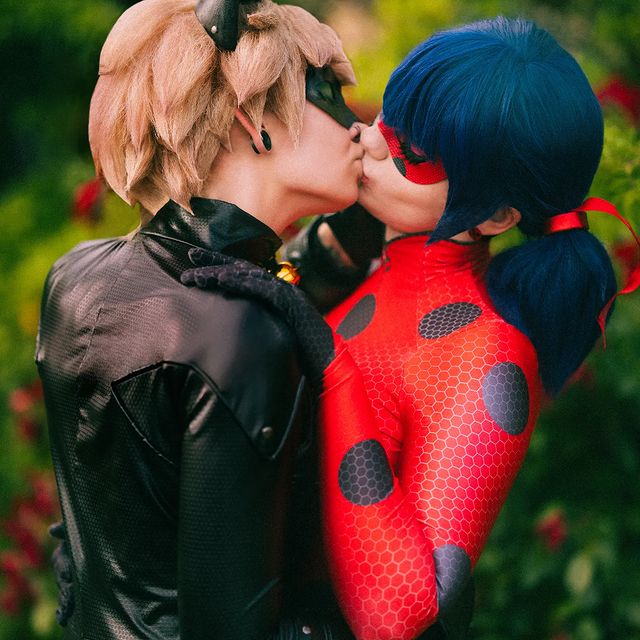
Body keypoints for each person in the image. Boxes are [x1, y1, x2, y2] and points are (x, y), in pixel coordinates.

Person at [182, 16, 640, 639]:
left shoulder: (487, 355)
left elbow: (402, 614)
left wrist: (330, 363)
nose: (368, 138)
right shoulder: (360, 260)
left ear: (497, 216)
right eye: (386, 119)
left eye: (414, 154)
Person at [36, 0, 363, 637]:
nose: (360, 129)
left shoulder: (73, 277)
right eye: (327, 92)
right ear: (253, 121)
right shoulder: (242, 333)